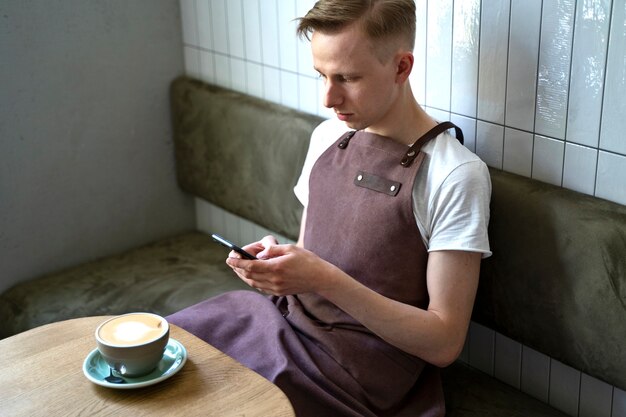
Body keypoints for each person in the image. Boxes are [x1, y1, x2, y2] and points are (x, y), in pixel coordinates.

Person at [167, 1, 491, 416]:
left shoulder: (456, 175)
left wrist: (321, 278)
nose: (328, 97)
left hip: (353, 373)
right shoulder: (327, 137)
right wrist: (277, 265)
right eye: (321, 75)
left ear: (401, 67)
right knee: (166, 355)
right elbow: (310, 254)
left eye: (348, 78)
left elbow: (444, 343)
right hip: (283, 324)